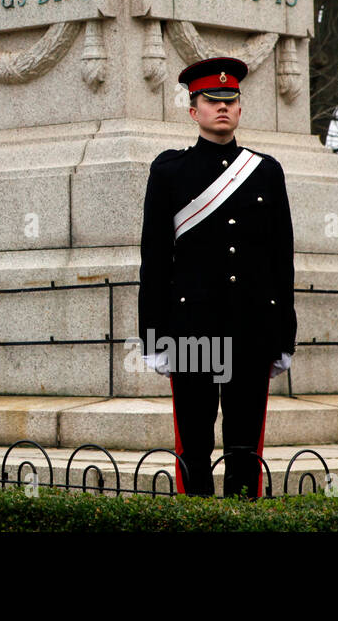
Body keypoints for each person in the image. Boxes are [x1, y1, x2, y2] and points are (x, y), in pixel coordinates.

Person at [137, 56, 295, 500]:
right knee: (195, 444)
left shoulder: (266, 171)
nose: (222, 107)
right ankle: (197, 521)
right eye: (212, 101)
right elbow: (154, 259)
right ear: (193, 111)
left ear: (240, 108)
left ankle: (243, 520)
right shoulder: (169, 171)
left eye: (231, 100)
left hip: (252, 329)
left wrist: (285, 335)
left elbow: (282, 259)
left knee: (245, 444)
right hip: (191, 331)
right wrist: (152, 337)